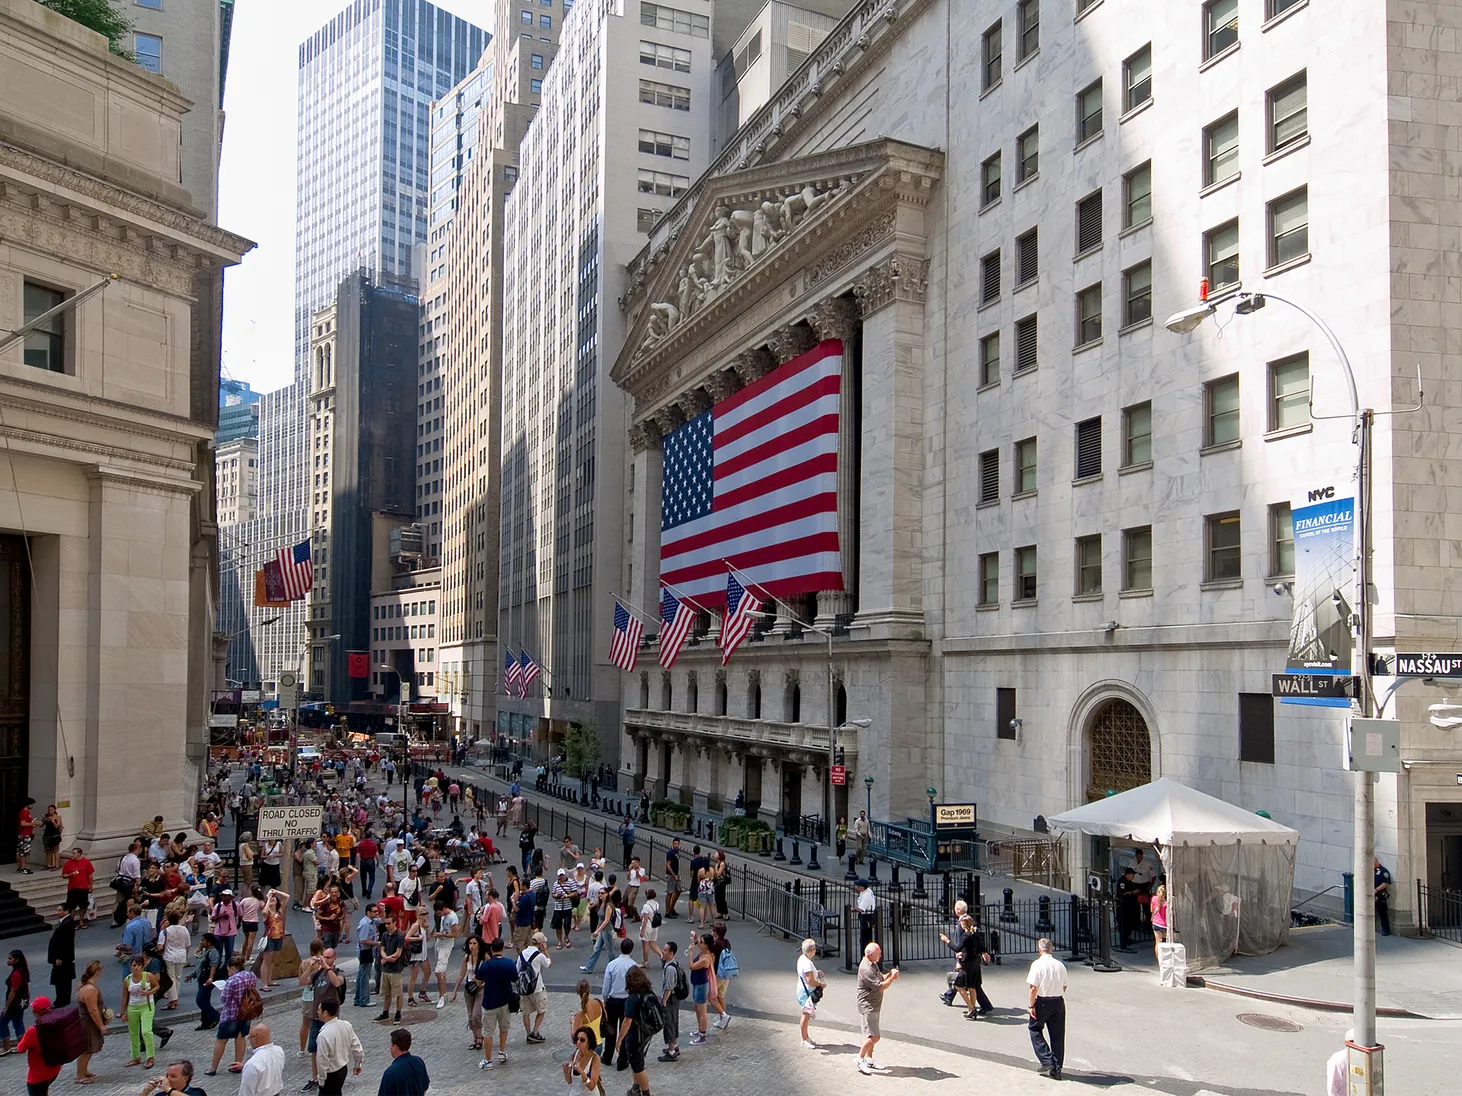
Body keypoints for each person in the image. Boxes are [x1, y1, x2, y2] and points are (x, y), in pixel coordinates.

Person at [1026, 937, 1068, 1080]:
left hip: (1043, 1001)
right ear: (1052, 949)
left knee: (1034, 1028)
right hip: (1058, 1001)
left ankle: (1046, 1059)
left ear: (1040, 949)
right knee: (1057, 1036)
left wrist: (1031, 1005)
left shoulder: (1037, 965)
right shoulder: (1060, 965)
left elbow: (1033, 987)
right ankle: (1057, 1069)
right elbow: (1064, 986)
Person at [208, 954, 258, 1076]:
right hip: (247, 1012)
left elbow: (224, 999)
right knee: (240, 1037)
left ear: (231, 967)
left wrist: (223, 989)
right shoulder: (251, 975)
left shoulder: (231, 981)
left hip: (231, 1014)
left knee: (221, 1040)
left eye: (228, 969)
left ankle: (213, 1068)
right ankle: (238, 1065)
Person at [474, 937, 517, 1070]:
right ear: (502, 948)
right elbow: (516, 980)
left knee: (488, 1032)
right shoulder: (509, 963)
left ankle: (488, 1060)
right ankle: (502, 1052)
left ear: (491, 949)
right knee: (504, 1028)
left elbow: (478, 982)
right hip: (505, 1002)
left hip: (490, 1003)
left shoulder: (486, 965)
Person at [855, 942, 898, 1075]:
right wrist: (892, 979)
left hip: (874, 1004)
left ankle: (869, 1059)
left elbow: (880, 978)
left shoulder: (873, 964)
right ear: (870, 954)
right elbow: (880, 987)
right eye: (878, 954)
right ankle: (859, 1058)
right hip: (867, 1006)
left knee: (870, 1033)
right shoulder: (866, 969)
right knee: (874, 1036)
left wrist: (889, 975)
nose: (880, 956)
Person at [616, 965, 656, 1096]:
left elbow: (627, 1021)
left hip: (636, 1036)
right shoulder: (648, 993)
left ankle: (645, 1093)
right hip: (646, 1033)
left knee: (638, 1067)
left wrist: (619, 1039)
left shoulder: (633, 999)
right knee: (636, 1062)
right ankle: (636, 1087)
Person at [313, 999, 363, 1096]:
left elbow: (322, 1060)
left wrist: (321, 1080)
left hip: (330, 1075)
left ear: (325, 1013)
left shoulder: (323, 1035)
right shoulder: (346, 1025)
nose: (317, 1012)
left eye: (319, 1010)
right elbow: (357, 1047)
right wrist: (358, 1064)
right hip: (343, 1070)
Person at [16, 995, 60, 1096]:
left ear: (35, 1012)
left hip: (38, 1074)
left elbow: (21, 1049)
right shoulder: (57, 1024)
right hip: (54, 1069)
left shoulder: (33, 1031)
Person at [601, 938, 637, 1059]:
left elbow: (606, 985)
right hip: (627, 1000)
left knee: (610, 1029)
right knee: (625, 1029)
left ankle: (607, 1056)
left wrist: (604, 999)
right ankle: (623, 1057)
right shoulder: (633, 965)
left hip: (613, 1000)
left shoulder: (612, 964)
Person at [951, 914, 992, 1018]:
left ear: (964, 925)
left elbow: (957, 948)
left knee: (958, 985)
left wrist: (947, 941)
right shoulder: (975, 933)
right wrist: (984, 952)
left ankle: (971, 1007)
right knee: (972, 987)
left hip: (968, 964)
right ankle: (972, 1010)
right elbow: (980, 945)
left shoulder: (966, 935)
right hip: (976, 962)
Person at [122, 954, 159, 1069]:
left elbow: (157, 986)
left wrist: (149, 992)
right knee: (133, 1033)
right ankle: (136, 1057)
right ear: (130, 966)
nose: (136, 968)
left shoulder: (148, 976)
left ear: (142, 966)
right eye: (134, 965)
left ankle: (150, 1057)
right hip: (132, 1007)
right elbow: (124, 996)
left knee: (146, 1031)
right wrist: (123, 1012)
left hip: (146, 1006)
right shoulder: (127, 980)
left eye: (138, 965)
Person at [75, 960, 107, 1084]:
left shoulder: (86, 986)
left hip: (87, 1021)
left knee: (89, 1048)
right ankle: (80, 1075)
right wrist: (101, 1025)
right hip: (88, 1023)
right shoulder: (90, 989)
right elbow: (93, 1010)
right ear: (98, 971)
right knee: (87, 1049)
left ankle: (84, 1070)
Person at [519, 931, 552, 1044]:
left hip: (524, 988)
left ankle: (528, 1033)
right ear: (541, 944)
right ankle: (535, 1031)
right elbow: (548, 964)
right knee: (541, 1010)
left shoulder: (522, 954)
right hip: (537, 988)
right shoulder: (539, 955)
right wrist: (545, 951)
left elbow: (517, 968)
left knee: (526, 1012)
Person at [375, 912, 407, 1025]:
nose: (387, 925)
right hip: (386, 968)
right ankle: (385, 1012)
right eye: (386, 923)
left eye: (389, 923)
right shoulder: (385, 935)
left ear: (394, 923)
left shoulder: (399, 935)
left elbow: (398, 953)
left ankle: (398, 1013)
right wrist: (386, 958)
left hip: (395, 969)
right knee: (386, 992)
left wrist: (385, 959)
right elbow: (382, 949)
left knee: (398, 992)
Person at [378, 1027, 429, 1096]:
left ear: (395, 1047)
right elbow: (425, 1087)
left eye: (391, 1045)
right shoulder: (419, 1062)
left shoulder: (391, 1072)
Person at [237, 1023, 285, 1096]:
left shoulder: (252, 1064)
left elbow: (245, 1093)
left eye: (250, 1038)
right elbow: (269, 1067)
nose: (249, 1041)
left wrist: (248, 1067)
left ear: (255, 1038)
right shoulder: (279, 1050)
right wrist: (245, 1067)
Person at [795, 938, 825, 1048]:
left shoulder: (802, 958)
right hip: (807, 992)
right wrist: (820, 985)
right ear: (812, 950)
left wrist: (816, 972)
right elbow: (810, 980)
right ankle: (804, 1039)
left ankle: (806, 1037)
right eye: (814, 949)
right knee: (806, 1015)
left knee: (806, 1015)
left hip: (803, 990)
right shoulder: (807, 963)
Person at [429, 900, 458, 1007]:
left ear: (444, 908)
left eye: (439, 913)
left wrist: (442, 935)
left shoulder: (453, 917)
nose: (439, 915)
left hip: (446, 946)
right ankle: (442, 994)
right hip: (439, 943)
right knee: (441, 971)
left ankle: (442, 996)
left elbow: (455, 934)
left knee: (439, 971)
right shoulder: (443, 916)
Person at [46, 908, 76, 1007]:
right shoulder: (64, 922)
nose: (57, 912)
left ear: (66, 911)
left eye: (60, 910)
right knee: (63, 978)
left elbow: (65, 942)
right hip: (63, 956)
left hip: (62, 957)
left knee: (61, 979)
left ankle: (61, 1000)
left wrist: (59, 957)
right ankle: (64, 998)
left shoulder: (67, 923)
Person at [2, 949, 29, 1055]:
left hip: (14, 1003)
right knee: (18, 1022)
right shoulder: (22, 971)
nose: (8, 960)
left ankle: (6, 1046)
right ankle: (22, 1045)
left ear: (16, 960)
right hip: (20, 1003)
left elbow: (13, 991)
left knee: (2, 1022)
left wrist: (6, 1006)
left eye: (10, 958)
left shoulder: (16, 973)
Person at [194, 932, 224, 1031]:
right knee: (205, 999)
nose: (201, 942)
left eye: (203, 940)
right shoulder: (206, 951)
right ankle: (205, 1021)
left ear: (209, 942)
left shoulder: (213, 952)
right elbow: (200, 964)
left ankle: (215, 1015)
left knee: (200, 1000)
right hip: (202, 978)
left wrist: (210, 978)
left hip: (207, 979)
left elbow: (213, 965)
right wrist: (193, 974)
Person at [562, 1025, 604, 1094]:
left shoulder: (595, 1058)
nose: (578, 1042)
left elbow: (592, 1086)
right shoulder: (574, 1054)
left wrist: (581, 1072)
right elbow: (570, 1081)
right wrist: (566, 1071)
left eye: (582, 1040)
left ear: (589, 1042)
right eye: (577, 1039)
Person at [570, 978, 605, 1057]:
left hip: (587, 1047)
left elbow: (574, 1037)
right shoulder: (598, 1003)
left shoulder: (581, 1014)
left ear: (578, 992)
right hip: (599, 1044)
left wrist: (572, 1022)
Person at [60, 846, 94, 925]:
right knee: (71, 906)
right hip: (73, 887)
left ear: (79, 854)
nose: (72, 855)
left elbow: (90, 876)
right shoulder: (68, 863)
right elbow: (64, 875)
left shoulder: (86, 862)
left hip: (83, 887)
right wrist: (71, 874)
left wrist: (90, 886)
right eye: (72, 853)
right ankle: (71, 922)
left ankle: (81, 921)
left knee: (83, 906)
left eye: (74, 853)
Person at [355, 903, 380, 1009]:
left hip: (366, 950)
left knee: (361, 975)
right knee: (365, 976)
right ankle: (364, 999)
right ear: (368, 912)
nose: (377, 913)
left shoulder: (372, 921)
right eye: (374, 911)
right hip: (365, 951)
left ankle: (358, 998)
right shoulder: (365, 924)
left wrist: (382, 911)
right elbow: (363, 940)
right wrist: (377, 943)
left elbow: (382, 920)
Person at [135, 1059, 206, 1096]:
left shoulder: (197, 1092)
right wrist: (144, 1093)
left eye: (173, 1076)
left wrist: (167, 1089)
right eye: (167, 1076)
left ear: (185, 1078)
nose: (168, 1079)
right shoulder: (161, 1095)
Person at [638, 889, 662, 966]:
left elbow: (644, 920)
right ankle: (662, 956)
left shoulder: (646, 906)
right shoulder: (656, 904)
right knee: (652, 943)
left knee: (645, 946)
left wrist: (642, 931)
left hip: (648, 927)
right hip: (655, 926)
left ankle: (645, 962)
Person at [1150, 883, 1170, 966]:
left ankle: (1159, 961)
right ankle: (1167, 960)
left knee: (1158, 943)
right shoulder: (1167, 902)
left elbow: (1151, 910)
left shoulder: (1154, 899)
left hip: (1156, 923)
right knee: (1168, 942)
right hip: (1165, 924)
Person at [855, 878, 877, 952]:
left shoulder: (866, 895)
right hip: (866, 915)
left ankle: (866, 953)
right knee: (865, 936)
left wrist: (853, 909)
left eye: (857, 886)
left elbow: (861, 909)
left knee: (865, 937)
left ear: (862, 887)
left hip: (867, 917)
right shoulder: (865, 892)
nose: (856, 887)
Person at [15, 797, 35, 874]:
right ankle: (22, 868)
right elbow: (23, 823)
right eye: (31, 804)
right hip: (24, 835)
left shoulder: (26, 812)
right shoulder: (24, 812)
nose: (32, 806)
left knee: (20, 852)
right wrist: (34, 823)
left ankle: (20, 867)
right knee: (23, 852)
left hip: (25, 834)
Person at [1373, 856, 1392, 937]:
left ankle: (1385, 930)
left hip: (1379, 895)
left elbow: (1386, 882)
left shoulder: (1383, 871)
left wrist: (1376, 890)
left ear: (1376, 863)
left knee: (1382, 913)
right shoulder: (1371, 870)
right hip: (1370, 894)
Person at [663, 839, 681, 919]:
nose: (676, 845)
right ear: (672, 844)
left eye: (677, 843)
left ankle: (671, 908)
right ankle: (667, 911)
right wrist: (673, 875)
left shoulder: (677, 852)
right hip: (671, 875)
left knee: (678, 890)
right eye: (675, 843)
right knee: (670, 892)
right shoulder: (670, 852)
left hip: (676, 874)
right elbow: (668, 865)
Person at [41, 806, 63, 873]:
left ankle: (56, 865)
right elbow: (41, 825)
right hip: (47, 835)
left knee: (55, 850)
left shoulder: (58, 817)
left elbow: (57, 826)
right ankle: (49, 864)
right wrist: (43, 820)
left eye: (51, 809)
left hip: (55, 836)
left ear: (54, 810)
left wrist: (52, 820)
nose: (50, 811)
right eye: (49, 809)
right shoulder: (46, 817)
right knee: (48, 851)